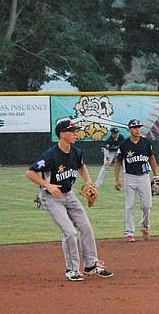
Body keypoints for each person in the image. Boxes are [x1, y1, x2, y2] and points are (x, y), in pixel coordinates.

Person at [26, 118, 114, 282]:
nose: (75, 134)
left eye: (75, 131)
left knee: (86, 228)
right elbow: (30, 172)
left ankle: (91, 265)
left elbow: (81, 166)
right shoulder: (50, 155)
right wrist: (47, 185)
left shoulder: (76, 152)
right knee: (70, 232)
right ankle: (71, 270)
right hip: (51, 198)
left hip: (69, 195)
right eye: (72, 131)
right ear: (62, 134)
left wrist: (88, 181)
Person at [114, 118, 159, 242]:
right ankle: (129, 233)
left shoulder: (145, 142)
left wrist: (156, 175)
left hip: (144, 176)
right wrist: (117, 179)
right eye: (135, 128)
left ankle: (145, 226)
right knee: (129, 206)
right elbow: (118, 162)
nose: (137, 130)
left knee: (147, 205)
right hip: (129, 177)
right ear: (129, 129)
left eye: (139, 127)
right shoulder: (124, 144)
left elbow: (151, 158)